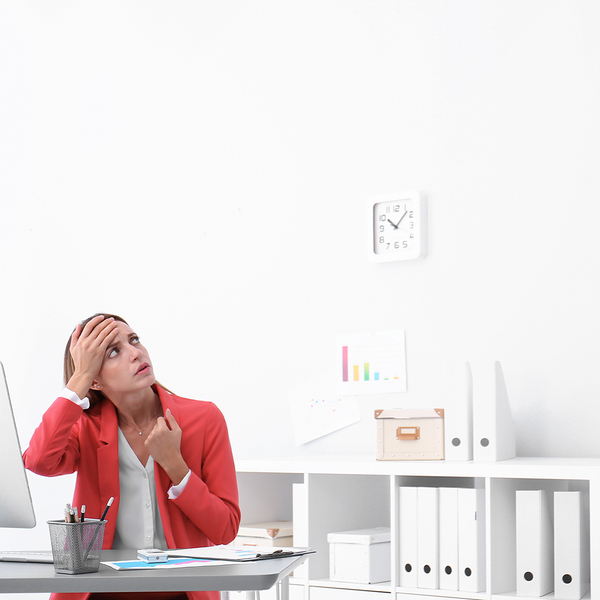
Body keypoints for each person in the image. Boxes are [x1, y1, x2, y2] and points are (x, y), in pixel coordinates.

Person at [24, 314, 241, 600]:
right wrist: (79, 378)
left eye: (134, 339)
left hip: (182, 594)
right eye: (113, 351)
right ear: (95, 380)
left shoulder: (203, 419)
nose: (136, 353)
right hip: (98, 593)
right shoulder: (84, 427)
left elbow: (225, 529)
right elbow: (39, 461)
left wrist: (176, 467)